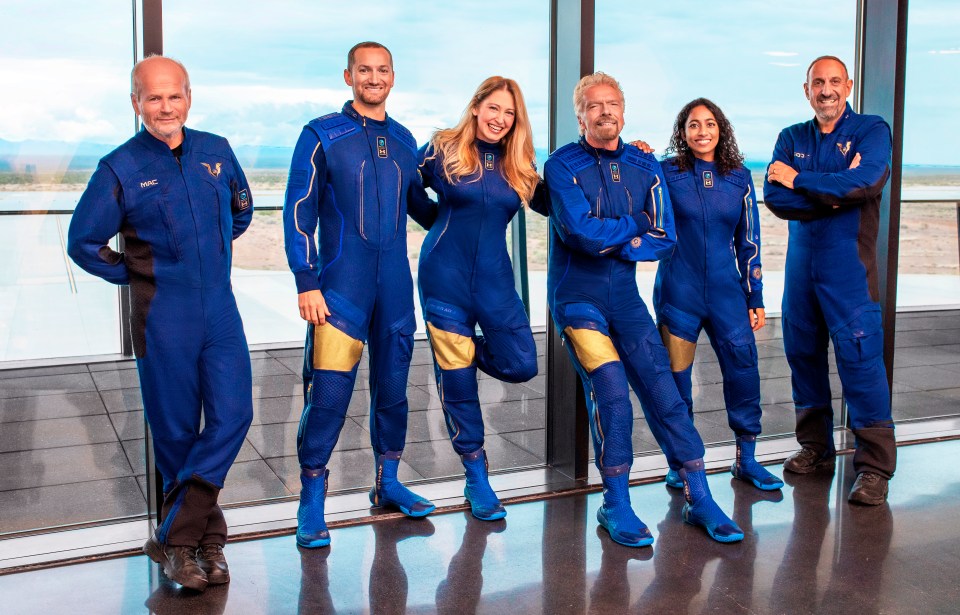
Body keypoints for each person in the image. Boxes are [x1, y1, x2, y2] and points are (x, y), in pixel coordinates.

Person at [67, 55, 254, 591]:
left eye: (174, 96)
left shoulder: (217, 151)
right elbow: (83, 242)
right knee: (174, 432)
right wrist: (139, 271)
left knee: (233, 414)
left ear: (189, 97)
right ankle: (203, 544)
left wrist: (210, 257)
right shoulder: (119, 168)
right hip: (161, 313)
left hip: (219, 308)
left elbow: (239, 212)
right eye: (153, 98)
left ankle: (172, 536)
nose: (165, 106)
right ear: (136, 103)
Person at [544, 72, 743, 546]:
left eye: (612, 103)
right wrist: (633, 225)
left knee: (666, 394)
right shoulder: (561, 165)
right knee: (612, 393)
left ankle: (700, 496)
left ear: (623, 110)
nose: (605, 111)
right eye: (594, 105)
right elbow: (580, 233)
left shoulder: (644, 164)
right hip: (577, 302)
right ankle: (615, 503)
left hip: (626, 302)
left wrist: (615, 238)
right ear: (581, 115)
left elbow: (665, 235)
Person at [283, 41, 437, 549]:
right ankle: (311, 499)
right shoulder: (322, 134)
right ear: (348, 75)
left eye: (383, 70)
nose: (374, 78)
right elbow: (298, 210)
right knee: (327, 397)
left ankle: (387, 483)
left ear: (393, 76)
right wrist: (307, 281)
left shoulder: (405, 138)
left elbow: (423, 206)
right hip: (339, 291)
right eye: (364, 70)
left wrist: (473, 203)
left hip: (394, 289)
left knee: (393, 391)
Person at [764, 55, 895, 505]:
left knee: (860, 360)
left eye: (834, 81)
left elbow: (866, 182)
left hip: (849, 272)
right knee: (802, 354)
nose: (826, 89)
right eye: (818, 82)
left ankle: (875, 468)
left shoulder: (871, 130)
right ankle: (816, 448)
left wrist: (800, 178)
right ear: (806, 90)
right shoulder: (791, 136)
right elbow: (776, 199)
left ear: (849, 85)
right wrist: (835, 192)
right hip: (802, 272)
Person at [417, 77, 543, 521]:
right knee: (458, 383)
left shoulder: (518, 161)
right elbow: (413, 195)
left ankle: (461, 356)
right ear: (475, 107)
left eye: (509, 113)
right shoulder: (442, 148)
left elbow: (556, 200)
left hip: (495, 283)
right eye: (493, 108)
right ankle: (477, 477)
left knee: (522, 362)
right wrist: (440, 225)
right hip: (443, 277)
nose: (500, 119)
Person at [654, 98, 783, 492]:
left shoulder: (739, 178)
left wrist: (755, 295)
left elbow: (750, 241)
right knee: (677, 382)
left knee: (744, 373)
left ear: (721, 129)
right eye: (694, 125)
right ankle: (681, 461)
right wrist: (638, 149)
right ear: (683, 132)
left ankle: (746, 459)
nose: (702, 131)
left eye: (709, 124)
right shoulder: (666, 172)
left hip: (729, 295)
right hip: (679, 292)